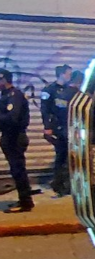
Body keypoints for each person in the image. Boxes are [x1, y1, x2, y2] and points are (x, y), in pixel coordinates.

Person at [0, 68, 34, 213]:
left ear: (4, 79)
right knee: (16, 169)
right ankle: (24, 200)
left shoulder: (15, 95)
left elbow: (12, 118)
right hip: (8, 136)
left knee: (18, 169)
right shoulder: (5, 95)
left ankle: (26, 202)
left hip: (15, 137)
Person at [41, 64, 73, 197]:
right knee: (61, 156)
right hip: (57, 129)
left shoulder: (70, 91)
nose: (69, 76)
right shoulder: (49, 90)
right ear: (61, 74)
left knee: (68, 156)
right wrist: (47, 127)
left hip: (69, 128)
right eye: (68, 74)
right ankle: (59, 184)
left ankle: (66, 183)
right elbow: (45, 110)